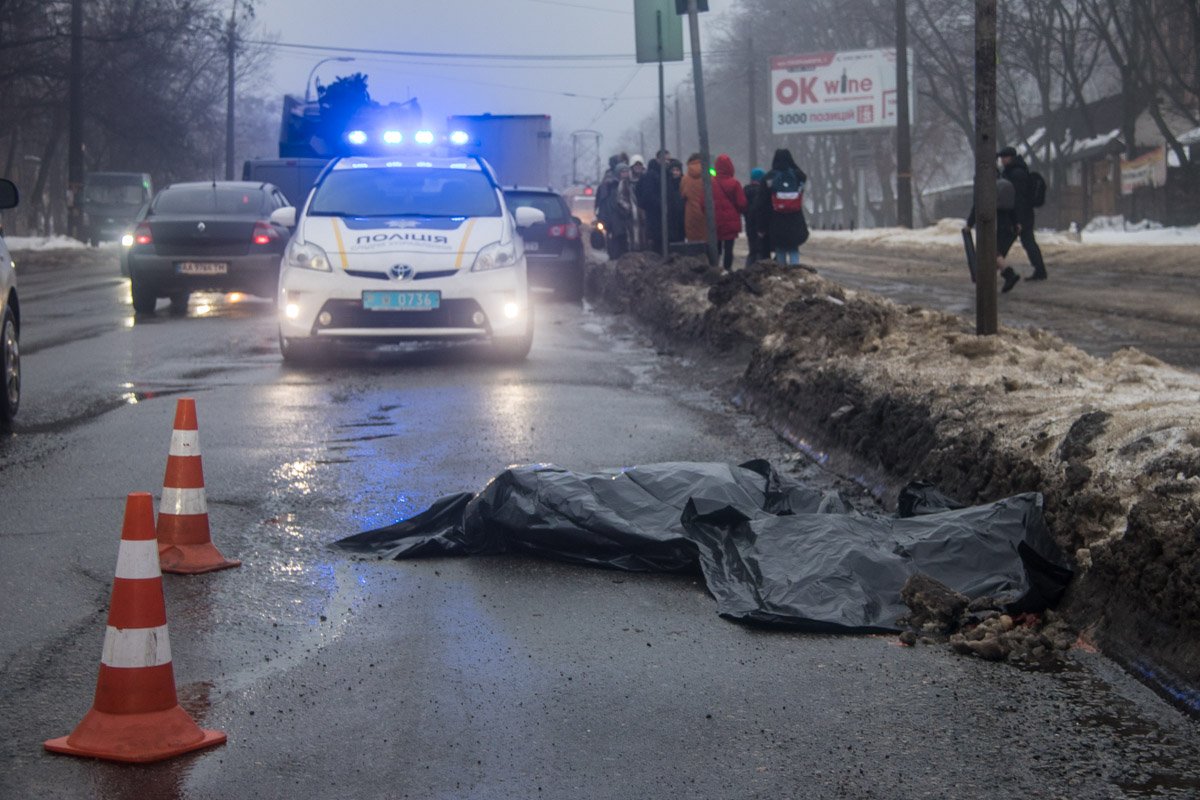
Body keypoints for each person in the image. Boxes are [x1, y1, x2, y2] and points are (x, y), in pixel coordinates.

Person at [751, 148, 809, 265]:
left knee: (780, 249)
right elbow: (803, 177)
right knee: (793, 248)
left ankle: (782, 275)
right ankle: (796, 273)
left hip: (776, 220)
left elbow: (761, 204)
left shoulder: (768, 178)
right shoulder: (798, 176)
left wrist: (761, 227)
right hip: (795, 219)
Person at [966, 170, 1021, 293]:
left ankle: (1009, 274)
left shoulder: (986, 189)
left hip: (993, 224)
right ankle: (989, 282)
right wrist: (1016, 223)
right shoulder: (1004, 187)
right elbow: (1012, 207)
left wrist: (969, 224)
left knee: (991, 252)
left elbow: (977, 206)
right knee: (996, 254)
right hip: (1007, 225)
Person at [998, 146, 1048, 281]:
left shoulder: (1016, 174)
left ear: (1011, 158)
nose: (1002, 160)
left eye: (1004, 157)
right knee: (1027, 242)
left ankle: (1004, 271)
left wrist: (1017, 220)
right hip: (1022, 214)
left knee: (1004, 244)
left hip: (1019, 215)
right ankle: (1040, 270)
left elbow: (1018, 198)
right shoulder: (1014, 171)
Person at [712, 154, 748, 271]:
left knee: (716, 246)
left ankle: (715, 268)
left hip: (715, 221)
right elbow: (742, 203)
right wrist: (738, 211)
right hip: (730, 221)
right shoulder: (734, 183)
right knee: (729, 247)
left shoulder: (710, 183)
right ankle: (727, 269)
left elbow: (703, 203)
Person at [679, 153, 708, 244]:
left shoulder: (685, 178)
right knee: (707, 238)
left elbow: (682, 194)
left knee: (693, 240)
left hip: (691, 214)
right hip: (706, 212)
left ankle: (695, 257)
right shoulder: (708, 175)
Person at [743, 167, 765, 266]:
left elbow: (742, 205)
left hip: (749, 224)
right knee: (761, 250)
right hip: (760, 224)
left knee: (752, 250)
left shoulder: (745, 190)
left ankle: (748, 269)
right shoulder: (762, 192)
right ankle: (759, 270)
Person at [666, 159, 686, 246]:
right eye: (673, 170)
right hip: (670, 218)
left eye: (677, 170)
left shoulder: (684, 183)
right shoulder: (666, 184)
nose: (675, 172)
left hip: (682, 217)